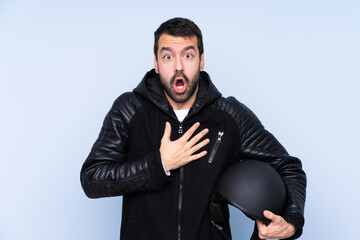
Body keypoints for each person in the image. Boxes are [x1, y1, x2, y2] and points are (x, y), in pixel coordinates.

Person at [80, 17, 306, 240]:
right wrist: (159, 165)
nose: (178, 66)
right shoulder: (129, 109)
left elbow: (288, 166)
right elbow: (92, 179)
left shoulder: (230, 115)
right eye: (168, 56)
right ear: (156, 64)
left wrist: (292, 221)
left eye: (188, 55)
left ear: (201, 61)